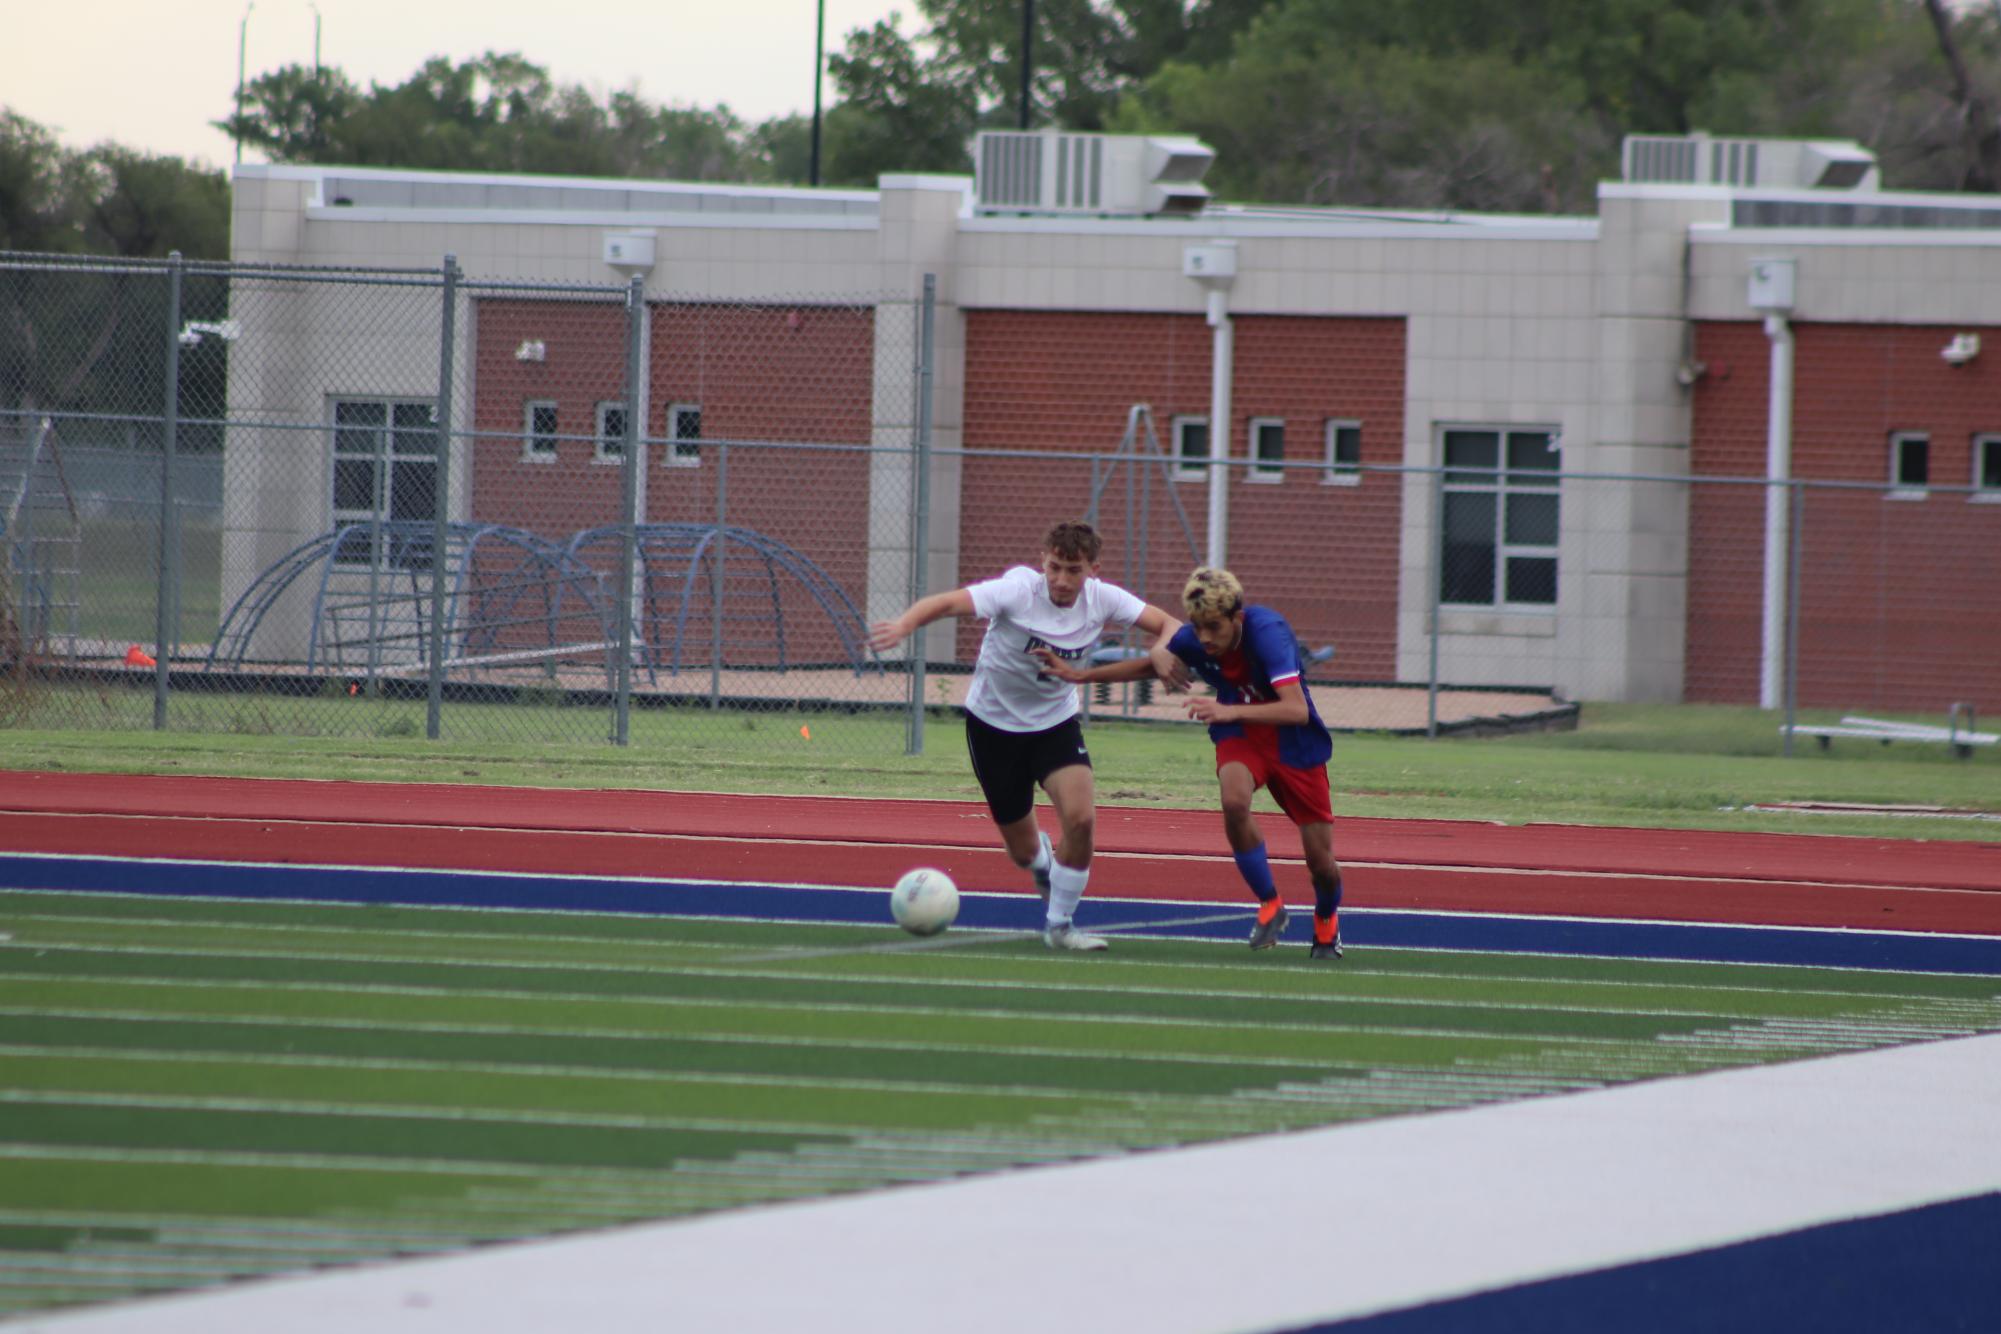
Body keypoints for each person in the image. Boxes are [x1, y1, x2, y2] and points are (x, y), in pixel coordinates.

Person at [868, 521, 1186, 951]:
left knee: (1081, 819)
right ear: (1043, 561)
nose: (1061, 580)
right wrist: (905, 626)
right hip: (993, 729)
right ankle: (1040, 865)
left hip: (1055, 724)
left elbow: (1169, 623)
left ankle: (1059, 926)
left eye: (1073, 570)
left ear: (1093, 569)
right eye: (1054, 567)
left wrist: (1163, 648)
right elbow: (945, 603)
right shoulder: (1015, 593)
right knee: (1022, 852)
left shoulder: (1103, 598)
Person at [1034, 566, 1345, 960]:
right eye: (1198, 628)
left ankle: (1326, 923)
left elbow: (1296, 710)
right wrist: (1079, 676)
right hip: (1242, 736)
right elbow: (1151, 664)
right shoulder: (1198, 637)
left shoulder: (1268, 633)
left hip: (1294, 743)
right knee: (1234, 803)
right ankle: (1270, 903)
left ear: (1237, 618)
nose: (1204, 638)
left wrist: (1230, 711)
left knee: (1321, 864)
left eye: (1214, 627)